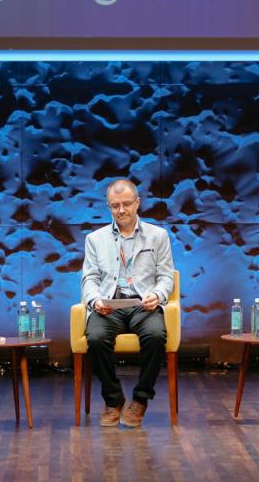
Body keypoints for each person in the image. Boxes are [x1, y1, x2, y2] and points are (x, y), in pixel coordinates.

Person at [81, 179, 175, 428]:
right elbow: (89, 278)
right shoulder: (95, 239)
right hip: (110, 304)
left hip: (143, 303)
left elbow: (166, 276)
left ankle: (141, 399)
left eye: (125, 204)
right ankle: (113, 400)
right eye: (115, 206)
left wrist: (158, 294)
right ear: (109, 207)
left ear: (137, 203)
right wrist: (95, 299)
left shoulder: (158, 236)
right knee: (96, 338)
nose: (121, 210)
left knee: (155, 335)